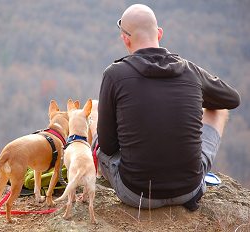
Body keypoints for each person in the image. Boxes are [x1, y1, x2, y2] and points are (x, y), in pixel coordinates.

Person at [91, 4, 241, 211]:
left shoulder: (114, 75)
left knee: (96, 108)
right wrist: (190, 97)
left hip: (136, 194)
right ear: (159, 33)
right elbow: (231, 99)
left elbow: (107, 147)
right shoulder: (190, 71)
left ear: (125, 39)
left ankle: (100, 178)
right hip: (189, 189)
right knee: (219, 108)